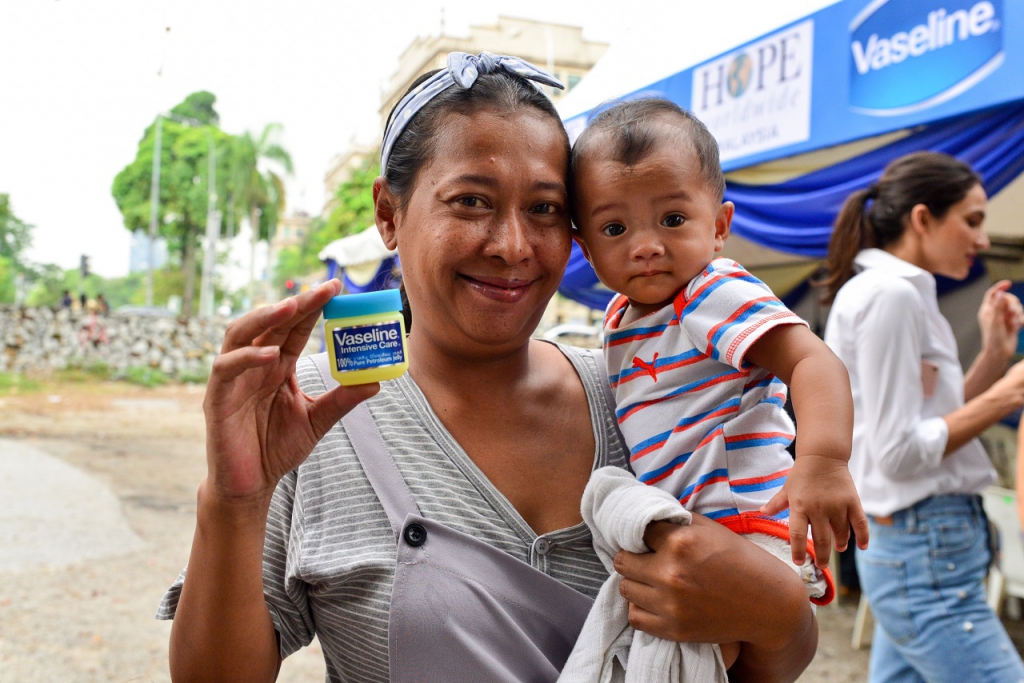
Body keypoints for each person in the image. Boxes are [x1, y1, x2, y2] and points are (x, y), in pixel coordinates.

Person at [157, 53, 819, 683]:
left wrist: (780, 610)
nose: (512, 246)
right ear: (390, 213)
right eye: (471, 201)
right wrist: (233, 504)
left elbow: (749, 656)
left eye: (545, 209)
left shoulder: (643, 392)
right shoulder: (311, 416)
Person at [822, 151, 1024, 683]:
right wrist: (1009, 392)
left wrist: (994, 360)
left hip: (919, 547)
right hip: (923, 550)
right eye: (973, 220)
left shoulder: (897, 292)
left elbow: (929, 422)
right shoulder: (892, 296)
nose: (982, 240)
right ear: (921, 219)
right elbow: (899, 452)